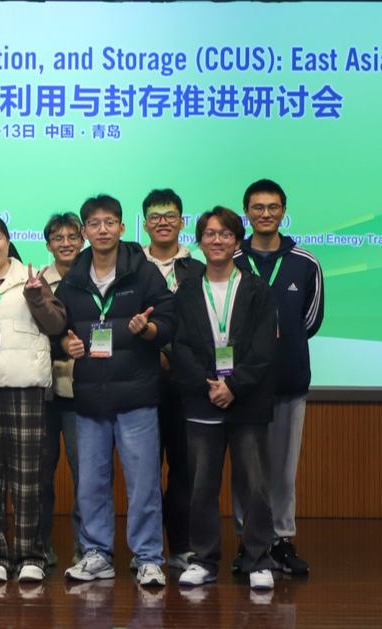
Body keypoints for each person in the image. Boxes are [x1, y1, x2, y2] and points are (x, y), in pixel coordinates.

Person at [56, 195, 175, 588]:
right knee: (91, 482)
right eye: (94, 223)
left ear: (123, 228)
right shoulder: (73, 278)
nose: (102, 229)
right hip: (91, 397)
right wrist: (66, 345)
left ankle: (148, 558)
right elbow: (59, 330)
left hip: (137, 395)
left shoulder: (143, 272)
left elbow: (169, 319)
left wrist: (149, 330)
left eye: (110, 222)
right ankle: (96, 554)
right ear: (84, 231)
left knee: (143, 484)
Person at [172, 206, 278, 590]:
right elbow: (180, 346)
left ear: (237, 241)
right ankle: (204, 559)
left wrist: (235, 386)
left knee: (255, 486)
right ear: (200, 242)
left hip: (247, 402)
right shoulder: (186, 290)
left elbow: (264, 348)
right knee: (201, 487)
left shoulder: (257, 289)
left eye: (225, 234)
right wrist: (210, 386)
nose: (217, 240)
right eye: (209, 234)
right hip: (203, 401)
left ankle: (258, 559)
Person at [0, 215, 65, 583]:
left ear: (8, 241)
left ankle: (30, 556)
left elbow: (56, 325)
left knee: (28, 478)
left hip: (25, 387)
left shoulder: (30, 279)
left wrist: (36, 296)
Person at [232, 179, 324, 575]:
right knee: (246, 469)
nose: (265, 214)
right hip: (242, 386)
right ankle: (248, 541)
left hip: (288, 381)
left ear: (284, 212)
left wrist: (280, 345)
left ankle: (282, 539)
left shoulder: (305, 261)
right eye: (258, 207)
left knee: (284, 470)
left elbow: (310, 320)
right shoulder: (232, 259)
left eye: (273, 207)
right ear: (246, 213)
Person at [140, 189, 205, 571]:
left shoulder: (198, 269)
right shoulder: (131, 266)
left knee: (184, 470)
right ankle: (146, 552)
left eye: (170, 215)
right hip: (140, 383)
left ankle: (182, 546)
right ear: (144, 223)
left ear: (182, 221)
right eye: (155, 215)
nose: (163, 221)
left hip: (185, 386)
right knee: (144, 472)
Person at [38, 212, 85, 567]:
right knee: (40, 472)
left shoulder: (94, 276)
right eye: (58, 238)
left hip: (79, 390)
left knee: (85, 472)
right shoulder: (37, 282)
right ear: (48, 244)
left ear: (82, 240)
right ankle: (40, 546)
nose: (65, 243)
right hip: (41, 390)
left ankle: (87, 546)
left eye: (72, 237)